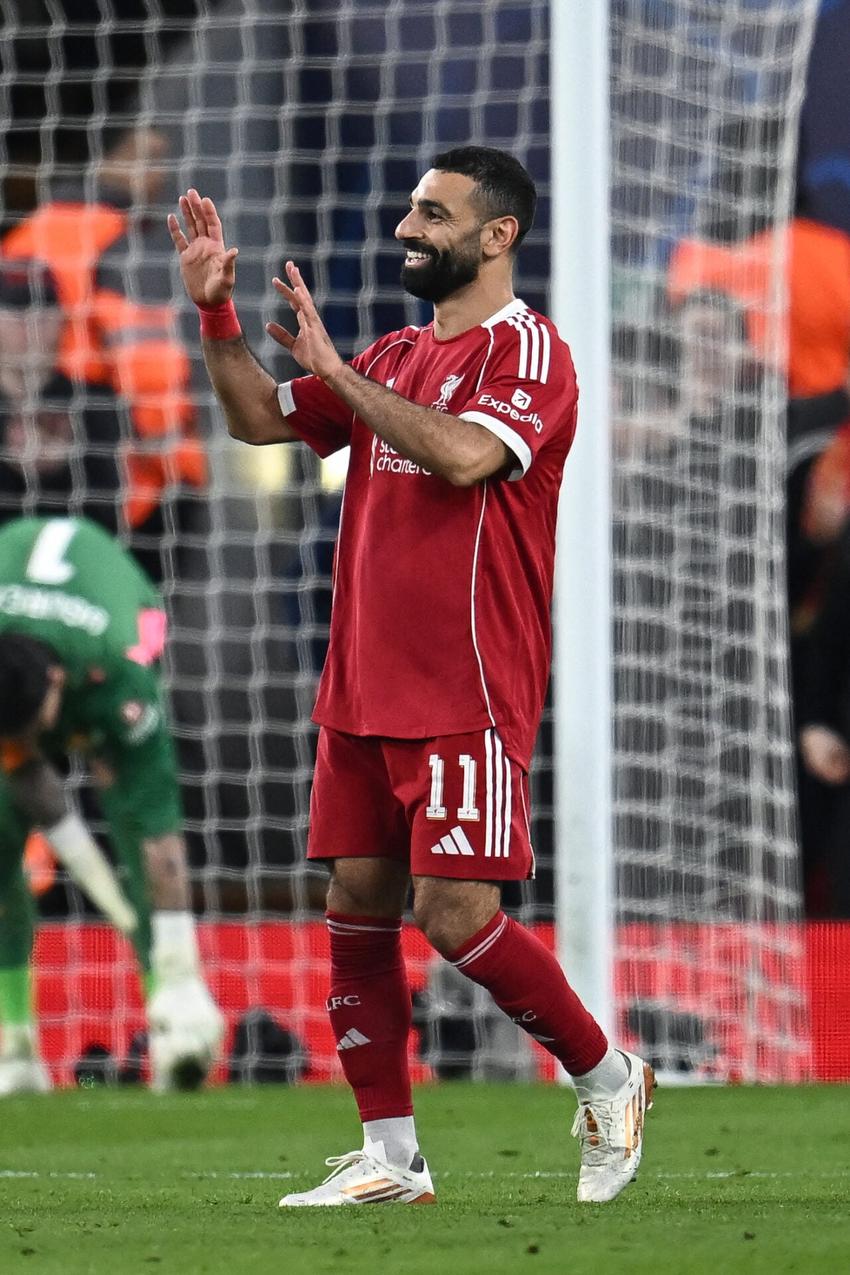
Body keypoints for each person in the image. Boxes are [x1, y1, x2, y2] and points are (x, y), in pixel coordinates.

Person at [169, 146, 653, 1207]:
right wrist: (217, 318)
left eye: (432, 214)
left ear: (497, 235)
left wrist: (342, 379)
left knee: (453, 916)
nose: (405, 227)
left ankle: (610, 1078)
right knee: (354, 904)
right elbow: (261, 418)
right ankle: (390, 1155)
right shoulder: (390, 350)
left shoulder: (531, 355)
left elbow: (468, 458)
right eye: (407, 210)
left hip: (465, 687)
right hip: (360, 682)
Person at [0, 515, 223, 1094]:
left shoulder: (120, 668)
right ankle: (15, 1047)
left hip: (106, 621)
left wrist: (174, 954)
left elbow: (159, 831)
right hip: (27, 604)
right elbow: (27, 773)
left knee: (134, 832)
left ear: (57, 683)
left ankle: (173, 1007)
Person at [1, 127, 208, 584]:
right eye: (147, 157)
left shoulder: (26, 235)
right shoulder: (119, 242)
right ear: (109, 159)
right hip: (118, 474)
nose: (158, 174)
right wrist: (181, 473)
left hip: (30, 462)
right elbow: (150, 368)